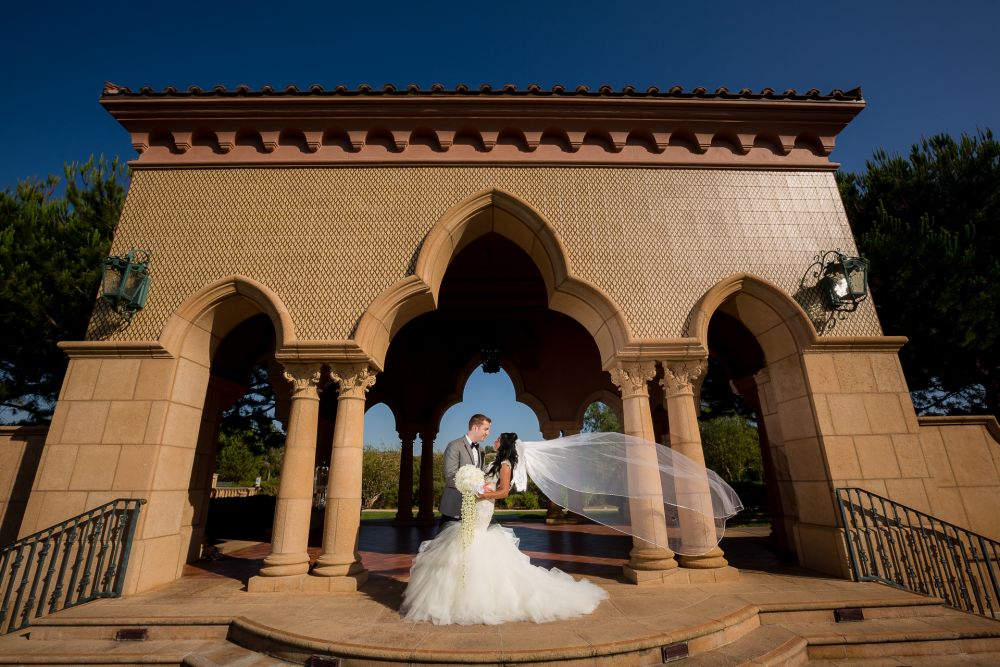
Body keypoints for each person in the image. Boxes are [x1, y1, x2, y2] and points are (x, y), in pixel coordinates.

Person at [401, 432, 608, 625]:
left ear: (505, 443)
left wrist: (483, 494)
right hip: (477, 504)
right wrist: (474, 485)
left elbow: (504, 492)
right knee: (464, 543)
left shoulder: (506, 464)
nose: (495, 439)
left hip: (484, 507)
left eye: (498, 438)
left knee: (473, 543)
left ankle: (475, 599)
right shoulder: (496, 461)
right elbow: (489, 484)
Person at [438, 414, 491, 528]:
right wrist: (476, 487)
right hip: (454, 506)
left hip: (473, 507)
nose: (488, 433)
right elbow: (450, 476)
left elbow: (481, 474)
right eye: (486, 429)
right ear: (475, 427)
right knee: (445, 543)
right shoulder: (454, 446)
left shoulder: (481, 450)